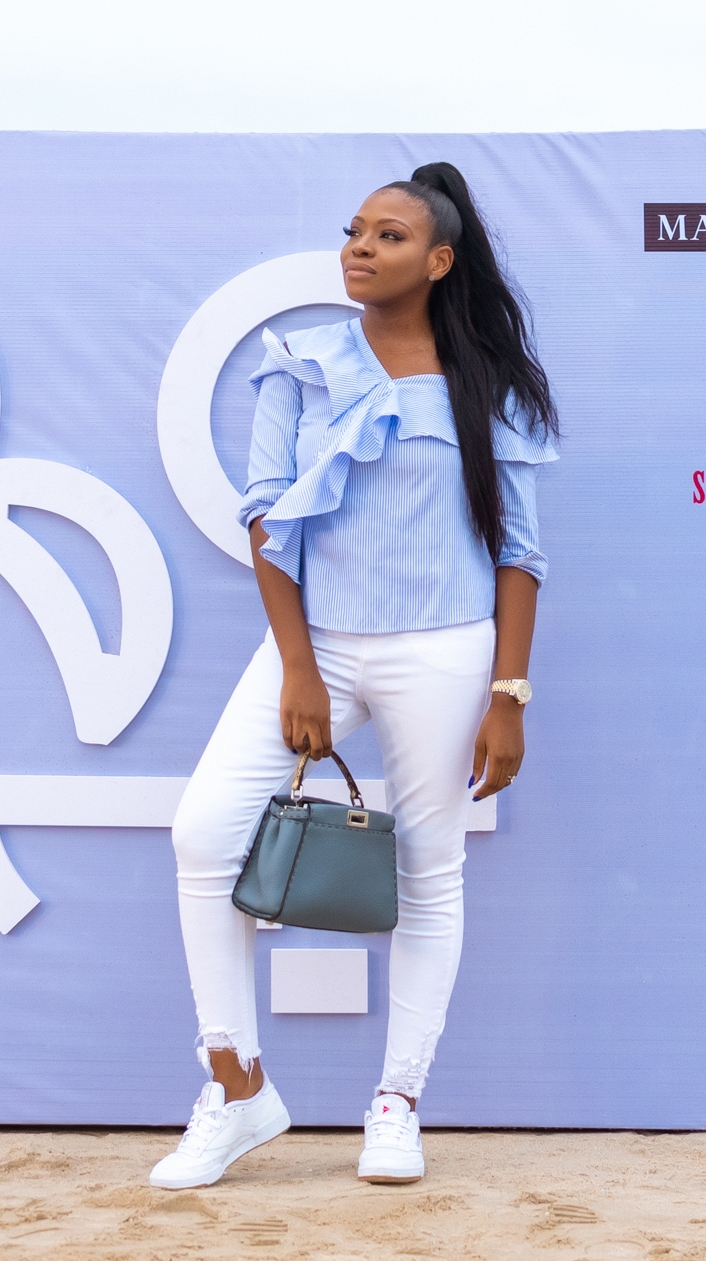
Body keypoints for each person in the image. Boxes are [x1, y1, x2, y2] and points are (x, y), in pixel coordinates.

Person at [152, 162, 557, 1189]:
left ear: (439, 261)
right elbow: (267, 521)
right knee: (203, 832)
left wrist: (507, 696)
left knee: (429, 870)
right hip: (319, 643)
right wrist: (299, 667)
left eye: (387, 236)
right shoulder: (300, 365)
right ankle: (237, 1086)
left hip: (445, 647)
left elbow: (518, 554)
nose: (360, 249)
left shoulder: (487, 384)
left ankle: (397, 1103)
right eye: (354, 231)